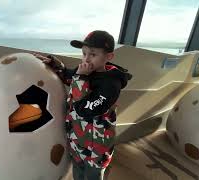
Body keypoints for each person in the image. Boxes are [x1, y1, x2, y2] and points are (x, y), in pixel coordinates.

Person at [33, 30, 132, 180]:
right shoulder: (87, 72)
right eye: (84, 53)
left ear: (109, 56)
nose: (86, 59)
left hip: (96, 149)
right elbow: (68, 76)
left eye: (93, 54)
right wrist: (53, 63)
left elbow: (84, 109)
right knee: (78, 172)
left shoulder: (111, 84)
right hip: (78, 140)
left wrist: (81, 77)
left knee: (93, 176)